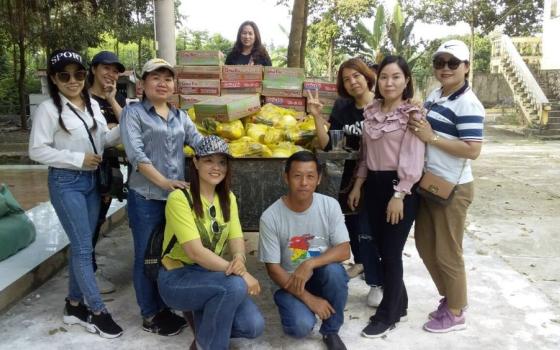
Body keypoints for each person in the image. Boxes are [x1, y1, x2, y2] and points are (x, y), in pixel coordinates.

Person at [29, 49, 123, 338]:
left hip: (92, 182)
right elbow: (36, 150)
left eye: (78, 74)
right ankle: (96, 311)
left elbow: (103, 139)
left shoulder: (92, 104)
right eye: (64, 75)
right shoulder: (48, 110)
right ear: (54, 79)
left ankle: (73, 305)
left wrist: (123, 127)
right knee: (83, 247)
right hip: (66, 182)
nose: (73, 80)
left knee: (83, 245)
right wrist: (76, 159)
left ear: (85, 75)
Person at [120, 58, 204, 335]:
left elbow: (200, 144)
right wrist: (165, 182)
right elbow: (136, 156)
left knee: (169, 254)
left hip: (174, 200)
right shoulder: (133, 114)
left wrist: (230, 150)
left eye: (167, 78)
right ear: (142, 84)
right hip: (146, 197)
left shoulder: (181, 116)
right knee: (146, 255)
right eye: (155, 77)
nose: (162, 83)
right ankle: (150, 313)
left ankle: (165, 305)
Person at [158, 135, 265, 350]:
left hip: (210, 275)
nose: (216, 167)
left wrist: (239, 259)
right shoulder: (179, 199)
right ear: (195, 162)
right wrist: (242, 274)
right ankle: (208, 345)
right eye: (208, 160)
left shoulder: (228, 198)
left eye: (222, 162)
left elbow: (236, 236)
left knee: (253, 326)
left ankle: (205, 324)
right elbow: (195, 253)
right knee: (234, 286)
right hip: (178, 277)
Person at [408, 39, 484, 333]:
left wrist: (432, 138)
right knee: (426, 246)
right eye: (440, 62)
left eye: (453, 63)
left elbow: (472, 149)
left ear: (466, 67)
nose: (445, 68)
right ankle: (451, 298)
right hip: (430, 184)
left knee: (448, 252)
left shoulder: (469, 103)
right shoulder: (437, 93)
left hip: (453, 188)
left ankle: (456, 312)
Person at [348, 55, 425, 338]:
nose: (389, 82)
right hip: (374, 186)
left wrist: (400, 194)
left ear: (406, 80)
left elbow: (414, 158)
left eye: (395, 77)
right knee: (381, 248)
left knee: (391, 252)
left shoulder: (412, 114)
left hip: (399, 188)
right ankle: (400, 302)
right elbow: (366, 156)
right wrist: (358, 185)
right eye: (384, 77)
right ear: (376, 81)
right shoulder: (371, 111)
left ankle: (387, 315)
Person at [307, 57, 384, 307]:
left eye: (356, 76)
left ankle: (377, 282)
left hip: (379, 176)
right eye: (346, 79)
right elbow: (328, 143)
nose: (352, 82)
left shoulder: (383, 105)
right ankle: (362, 264)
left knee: (369, 231)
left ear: (367, 76)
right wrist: (317, 116)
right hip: (350, 177)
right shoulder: (343, 107)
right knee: (353, 226)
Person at [259, 151, 351, 350]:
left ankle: (331, 330)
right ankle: (295, 303)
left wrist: (310, 263)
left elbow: (344, 250)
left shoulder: (329, 205)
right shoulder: (271, 216)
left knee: (334, 272)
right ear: (286, 178)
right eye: (297, 175)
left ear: (319, 179)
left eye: (310, 176)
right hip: (291, 282)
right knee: (299, 328)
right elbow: (273, 269)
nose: (304, 182)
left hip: (320, 275)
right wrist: (310, 300)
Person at [87, 50, 127, 294]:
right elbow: (93, 134)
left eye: (115, 71)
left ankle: (88, 270)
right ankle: (87, 274)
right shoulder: (82, 97)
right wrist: (110, 129)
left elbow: (128, 126)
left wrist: (112, 100)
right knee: (87, 222)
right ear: (93, 69)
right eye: (106, 68)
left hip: (108, 169)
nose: (110, 74)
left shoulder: (117, 97)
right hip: (87, 165)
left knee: (99, 218)